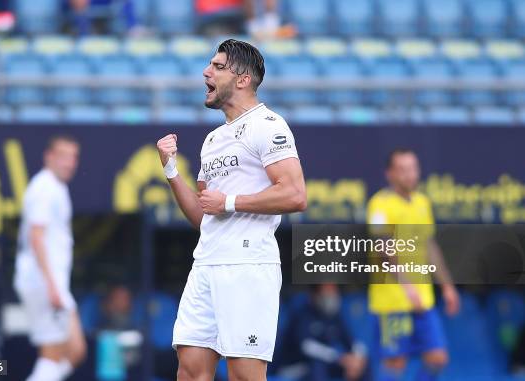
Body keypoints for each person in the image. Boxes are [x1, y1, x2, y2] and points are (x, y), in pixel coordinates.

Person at [156, 39, 307, 380]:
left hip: (248, 266)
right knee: (190, 371)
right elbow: (202, 217)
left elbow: (296, 195)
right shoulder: (213, 140)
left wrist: (229, 202)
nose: (206, 72)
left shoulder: (268, 125)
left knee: (244, 375)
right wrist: (171, 171)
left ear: (242, 79)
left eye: (218, 66)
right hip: (207, 263)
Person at [366, 148, 460, 381]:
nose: (409, 175)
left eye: (413, 169)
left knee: (438, 358)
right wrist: (407, 287)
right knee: (395, 363)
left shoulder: (422, 203)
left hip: (423, 298)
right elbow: (383, 249)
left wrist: (447, 286)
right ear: (390, 174)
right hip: (392, 299)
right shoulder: (380, 204)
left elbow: (429, 246)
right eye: (402, 170)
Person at [13, 135, 86, 381]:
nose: (70, 163)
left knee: (76, 350)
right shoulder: (43, 188)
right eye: (64, 156)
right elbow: (36, 237)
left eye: (73, 157)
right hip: (44, 283)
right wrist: (52, 287)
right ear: (49, 157)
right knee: (52, 354)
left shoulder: (56, 187)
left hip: (54, 284)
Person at [277, 284, 368, 381]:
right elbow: (307, 347)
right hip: (295, 366)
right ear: (314, 295)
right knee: (318, 366)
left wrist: (358, 358)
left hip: (327, 363)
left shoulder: (334, 316)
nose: (331, 296)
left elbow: (352, 340)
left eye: (333, 292)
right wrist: (340, 358)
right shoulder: (302, 314)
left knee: (363, 366)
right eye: (326, 292)